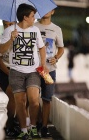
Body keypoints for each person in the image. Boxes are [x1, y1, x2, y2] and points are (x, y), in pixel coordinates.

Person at [0, 4, 48, 140]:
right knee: (20, 102)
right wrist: (11, 39)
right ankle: (23, 130)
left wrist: (43, 64)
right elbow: (2, 50)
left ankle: (32, 127)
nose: (34, 18)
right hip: (16, 72)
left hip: (33, 71)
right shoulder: (9, 31)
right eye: (32, 16)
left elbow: (42, 48)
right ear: (25, 17)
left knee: (34, 101)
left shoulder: (35, 30)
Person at [34, 9, 64, 137]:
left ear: (53, 12)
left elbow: (61, 48)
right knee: (34, 99)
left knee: (46, 99)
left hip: (49, 69)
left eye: (49, 9)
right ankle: (35, 124)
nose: (46, 11)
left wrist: (56, 57)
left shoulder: (56, 29)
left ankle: (44, 126)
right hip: (34, 69)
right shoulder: (33, 26)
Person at [0, 20, 19, 137]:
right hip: (1, 69)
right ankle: (10, 124)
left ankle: (17, 121)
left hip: (13, 68)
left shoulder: (20, 38)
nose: (9, 27)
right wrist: (10, 74)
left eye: (11, 25)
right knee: (11, 92)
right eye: (7, 25)